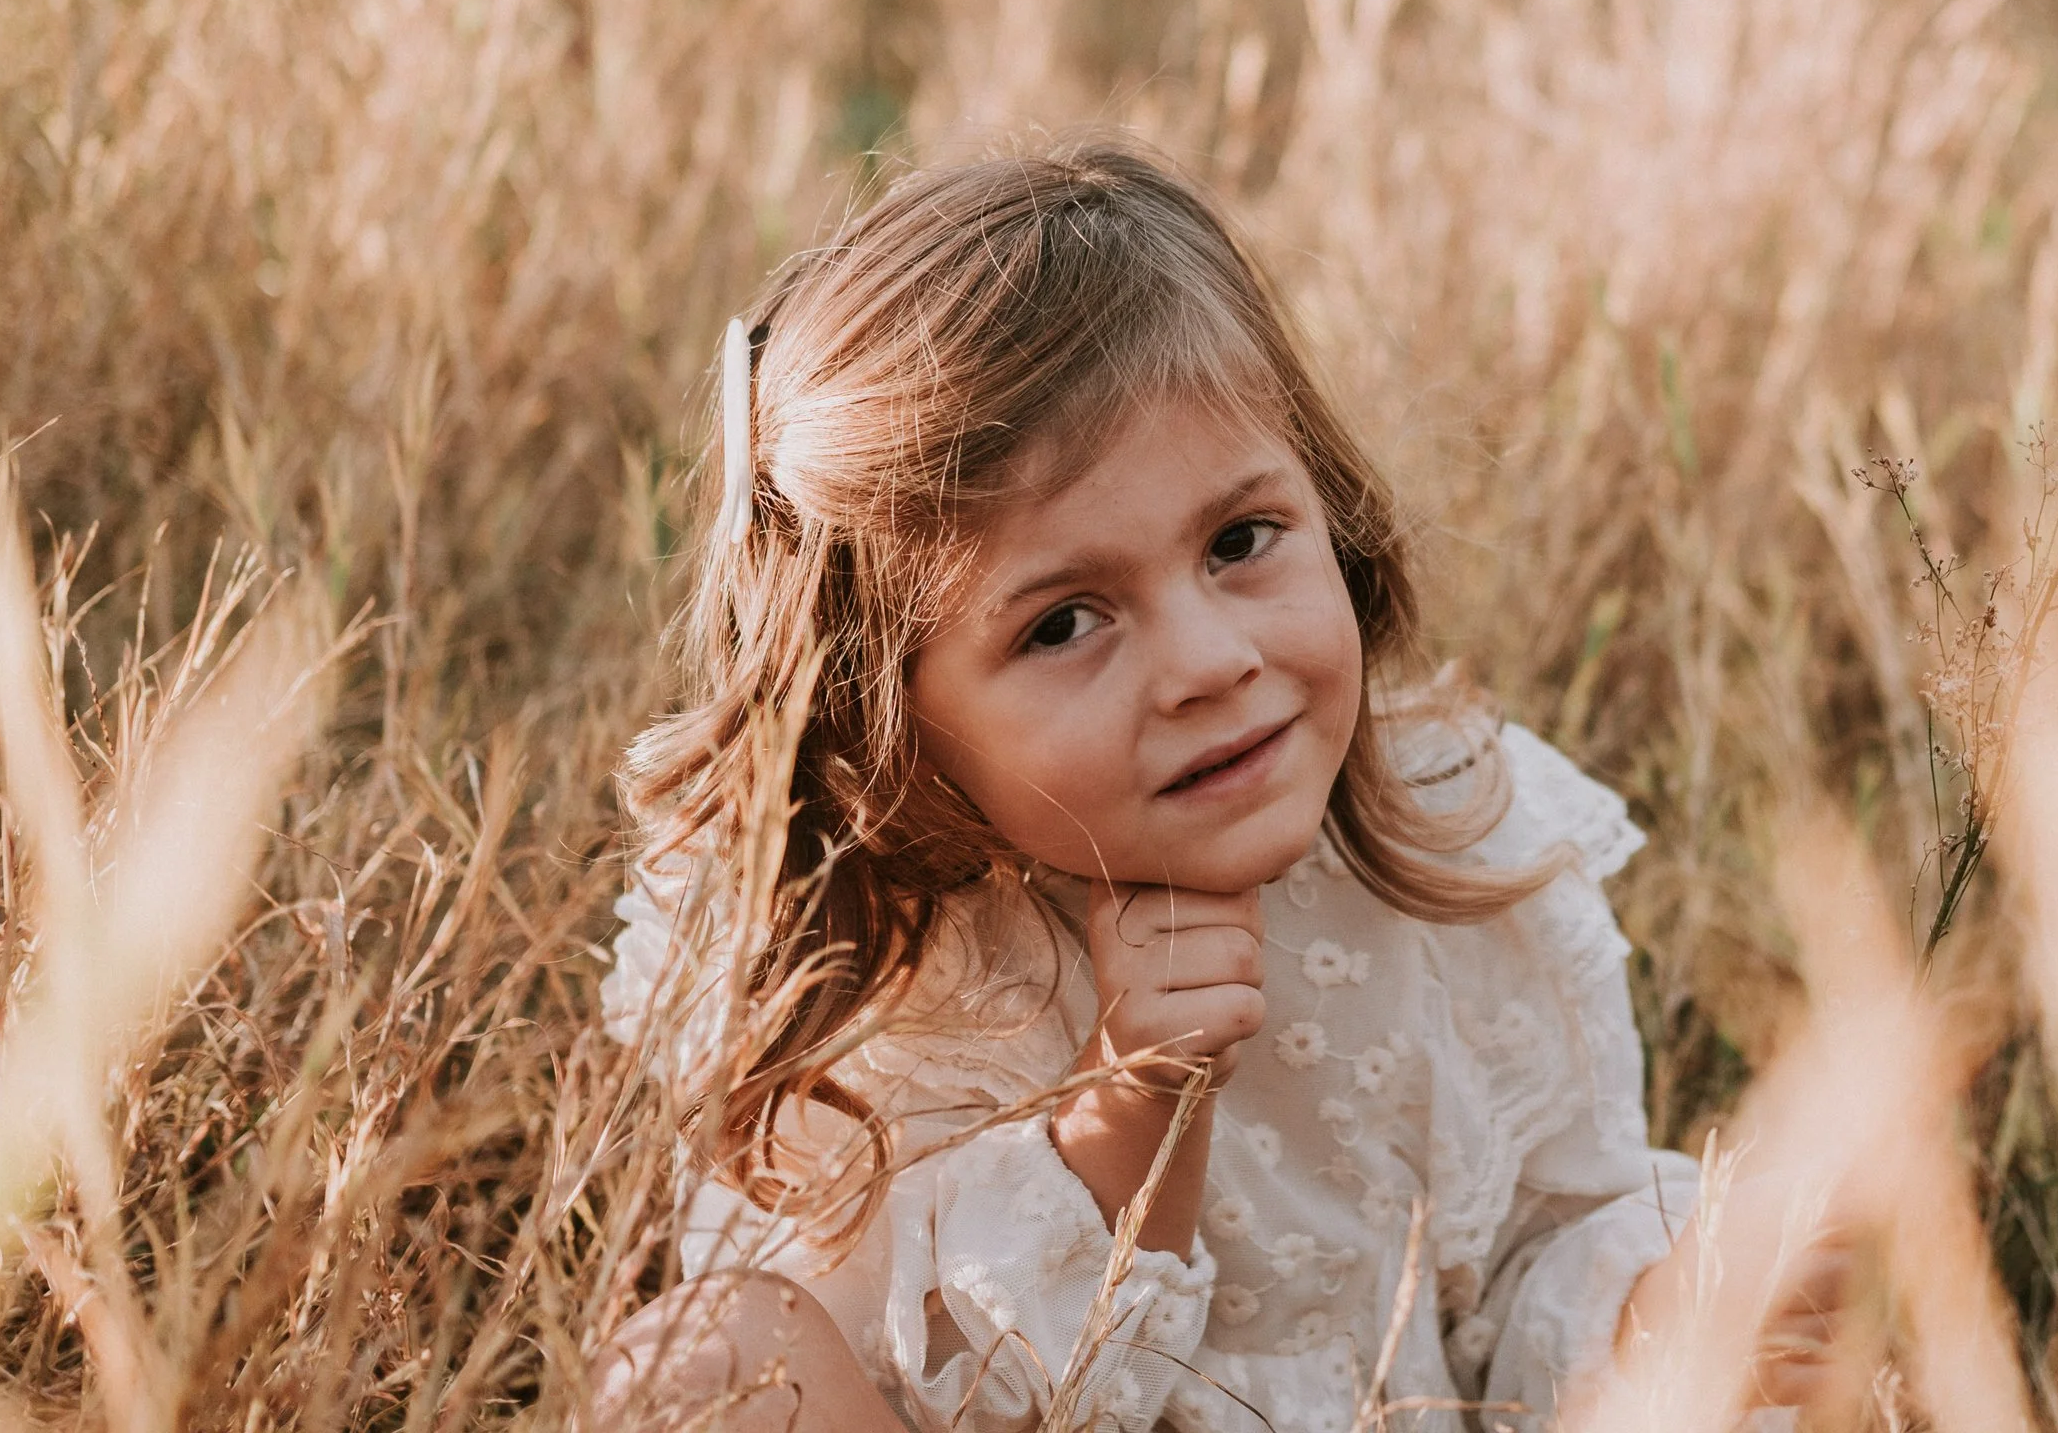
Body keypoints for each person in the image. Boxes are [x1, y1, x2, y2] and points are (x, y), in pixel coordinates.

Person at [591, 145, 1842, 1432]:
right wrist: (1128, 1102)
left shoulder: (1458, 846)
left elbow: (1527, 1262)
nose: (1208, 661)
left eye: (1240, 542)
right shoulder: (893, 997)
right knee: (695, 1361)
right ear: (890, 725)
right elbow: (948, 1394)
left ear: (1329, 505)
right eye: (1065, 621)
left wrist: (1658, 1323)